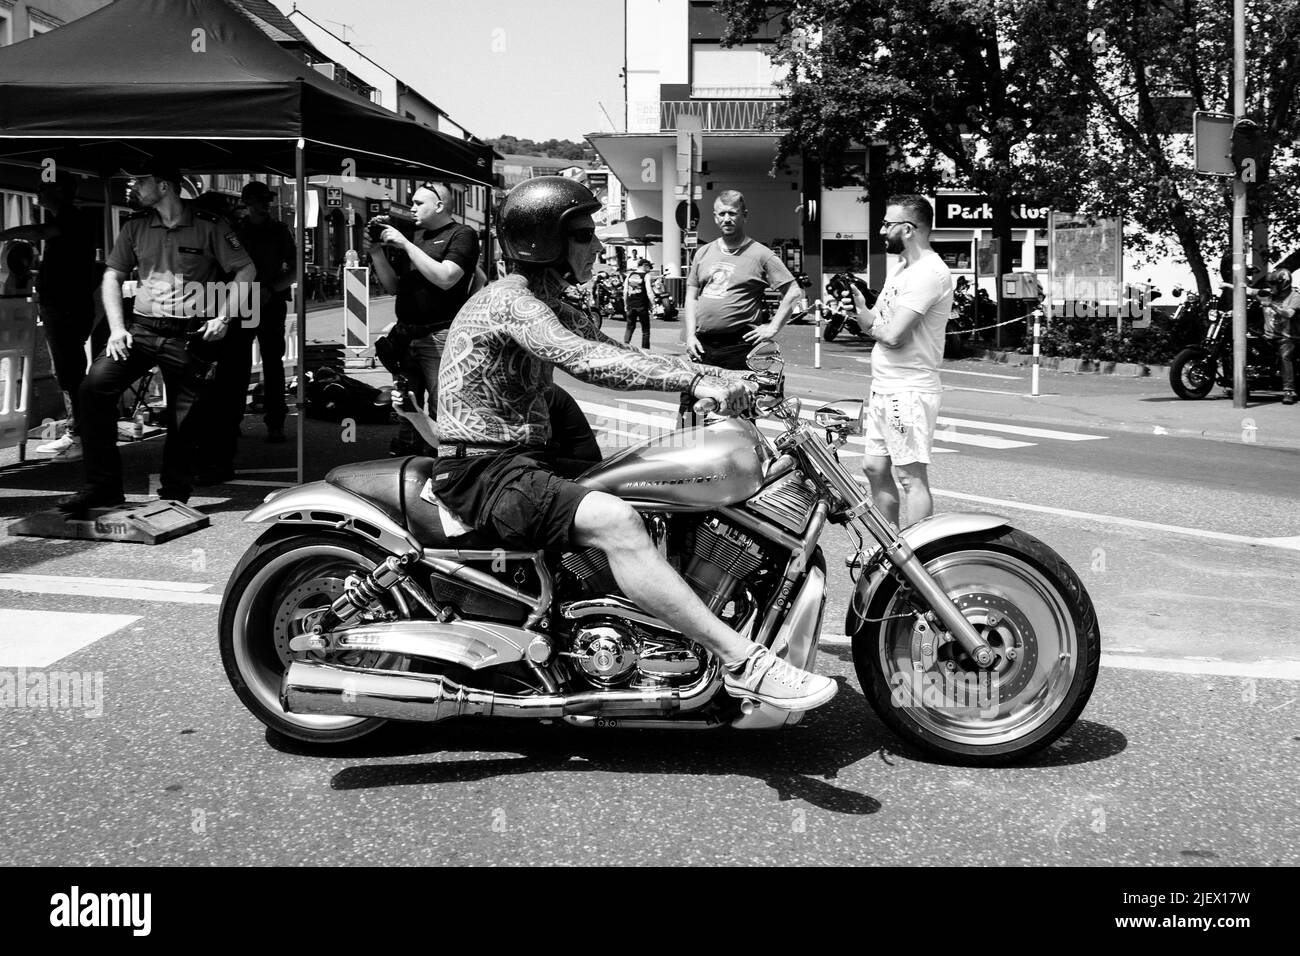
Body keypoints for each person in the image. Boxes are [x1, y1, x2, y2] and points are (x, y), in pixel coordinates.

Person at [392, 176, 836, 712]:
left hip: (525, 457)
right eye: (583, 235)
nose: (598, 247)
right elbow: (584, 359)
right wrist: (697, 382)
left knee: (648, 498)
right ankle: (743, 663)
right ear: (546, 243)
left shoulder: (551, 298)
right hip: (485, 471)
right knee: (617, 522)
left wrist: (716, 375)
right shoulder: (514, 302)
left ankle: (646, 623)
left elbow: (610, 347)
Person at [58, 162, 256, 518]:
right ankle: (103, 488)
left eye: (140, 179)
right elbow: (111, 276)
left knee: (185, 418)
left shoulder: (210, 225)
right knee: (93, 389)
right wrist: (117, 328)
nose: (131, 185)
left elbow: (246, 269)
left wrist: (224, 317)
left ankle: (173, 494)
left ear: (164, 186)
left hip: (190, 335)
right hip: (142, 331)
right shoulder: (135, 226)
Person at [840, 194, 953, 529]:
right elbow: (878, 319)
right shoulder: (902, 268)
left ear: (907, 229)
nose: (881, 230)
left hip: (910, 388)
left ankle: (916, 558)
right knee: (873, 468)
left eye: (888, 224)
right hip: (885, 385)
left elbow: (893, 335)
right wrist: (862, 310)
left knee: (910, 477)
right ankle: (889, 547)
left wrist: (869, 324)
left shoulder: (929, 273)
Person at [365, 182, 479, 456]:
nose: (412, 208)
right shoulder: (416, 237)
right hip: (406, 337)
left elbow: (446, 278)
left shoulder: (462, 234)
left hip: (440, 336)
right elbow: (393, 287)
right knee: (405, 407)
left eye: (418, 203)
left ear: (439, 206)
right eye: (412, 203)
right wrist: (377, 252)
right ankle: (409, 464)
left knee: (443, 407)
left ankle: (446, 464)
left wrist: (404, 244)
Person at [193, 180, 296, 483]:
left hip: (271, 301)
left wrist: (271, 287)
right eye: (258, 199)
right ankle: (233, 419)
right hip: (240, 303)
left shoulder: (279, 230)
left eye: (267, 199)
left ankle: (275, 422)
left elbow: (294, 267)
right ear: (248, 201)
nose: (264, 204)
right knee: (235, 363)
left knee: (274, 362)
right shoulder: (236, 229)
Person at [679, 189, 801, 425]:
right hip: (702, 347)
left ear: (744, 215)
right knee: (692, 412)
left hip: (738, 348)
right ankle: (691, 459)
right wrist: (691, 335)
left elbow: (793, 292)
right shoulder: (703, 252)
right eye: (722, 214)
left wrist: (771, 328)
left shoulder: (761, 254)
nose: (727, 219)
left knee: (737, 416)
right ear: (715, 217)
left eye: (732, 213)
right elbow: (692, 295)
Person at [0, 174, 99, 462]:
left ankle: (81, 436)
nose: (38, 193)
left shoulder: (71, 219)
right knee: (66, 370)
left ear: (59, 193)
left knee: (69, 371)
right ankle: (76, 431)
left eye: (44, 189)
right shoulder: (72, 221)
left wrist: (5, 235)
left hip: (67, 307)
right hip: (63, 305)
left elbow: (41, 232)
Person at [1260, 268, 1299, 405]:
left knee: (1285, 356)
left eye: (1274, 284)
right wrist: (1229, 285)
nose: (1272, 287)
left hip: (1287, 337)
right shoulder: (1269, 294)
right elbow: (1248, 290)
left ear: (1283, 284)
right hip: (1269, 336)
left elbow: (1289, 314)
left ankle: (1288, 391)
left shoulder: (1295, 297)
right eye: (1271, 284)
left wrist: (1272, 306)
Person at [623, 260, 652, 348]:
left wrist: (625, 304)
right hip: (642, 305)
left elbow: (625, 291)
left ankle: (625, 346)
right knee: (645, 330)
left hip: (630, 304)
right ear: (644, 265)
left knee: (630, 327)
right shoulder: (646, 276)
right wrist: (653, 304)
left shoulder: (629, 275)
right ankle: (645, 350)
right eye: (649, 266)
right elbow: (649, 291)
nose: (650, 268)